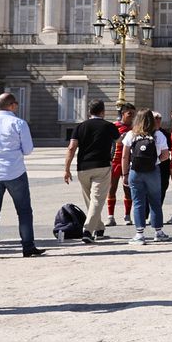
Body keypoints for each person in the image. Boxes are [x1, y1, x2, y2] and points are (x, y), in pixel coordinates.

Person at [0, 93, 44, 258]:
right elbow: (28, 150)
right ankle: (28, 247)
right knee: (24, 210)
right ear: (12, 105)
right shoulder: (19, 123)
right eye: (16, 104)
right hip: (15, 171)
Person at [63, 99, 121, 242]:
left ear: (89, 111)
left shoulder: (80, 127)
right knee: (97, 200)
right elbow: (119, 141)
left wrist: (66, 169)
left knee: (91, 199)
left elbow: (71, 148)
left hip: (83, 167)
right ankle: (87, 230)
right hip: (102, 166)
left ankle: (99, 227)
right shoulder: (108, 126)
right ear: (103, 112)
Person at [120, 109, 171, 245]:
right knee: (155, 201)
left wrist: (125, 174)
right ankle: (158, 232)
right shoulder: (158, 135)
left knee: (138, 202)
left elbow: (124, 156)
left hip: (135, 171)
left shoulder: (131, 134)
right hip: (153, 171)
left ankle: (139, 234)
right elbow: (166, 155)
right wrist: (156, 161)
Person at [106, 102, 136, 226]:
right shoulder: (114, 126)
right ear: (123, 114)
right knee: (111, 189)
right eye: (129, 114)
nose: (132, 117)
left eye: (133, 114)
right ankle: (110, 216)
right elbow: (107, 144)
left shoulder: (135, 128)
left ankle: (127, 215)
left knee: (128, 189)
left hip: (129, 162)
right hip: (115, 161)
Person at [154, 111, 171, 206]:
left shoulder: (164, 133)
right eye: (155, 119)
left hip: (163, 164)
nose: (157, 121)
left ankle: (158, 208)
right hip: (150, 165)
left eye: (159, 119)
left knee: (163, 187)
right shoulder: (143, 133)